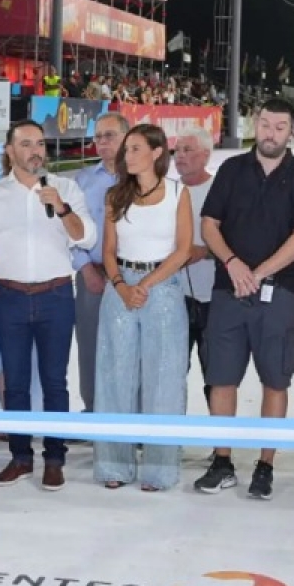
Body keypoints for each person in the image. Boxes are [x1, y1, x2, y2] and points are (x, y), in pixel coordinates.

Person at [194, 97, 294, 501]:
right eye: (265, 124)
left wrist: (259, 271)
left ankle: (265, 465)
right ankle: (222, 460)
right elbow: (209, 224)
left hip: (277, 292)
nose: (271, 133)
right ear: (256, 124)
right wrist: (232, 263)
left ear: (291, 132)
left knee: (274, 379)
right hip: (228, 291)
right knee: (222, 378)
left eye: (280, 126)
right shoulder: (232, 170)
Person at [0, 121, 94, 489]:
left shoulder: (65, 189)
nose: (36, 150)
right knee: (16, 384)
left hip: (55, 297)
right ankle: (21, 457)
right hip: (10, 298)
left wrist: (63, 208)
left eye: (40, 143)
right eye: (26, 144)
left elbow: (88, 236)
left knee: (55, 383)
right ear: (9, 150)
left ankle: (55, 458)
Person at [94, 124, 193, 491]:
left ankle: (159, 470)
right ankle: (113, 466)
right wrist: (122, 286)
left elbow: (183, 249)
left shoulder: (178, 193)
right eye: (126, 149)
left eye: (135, 148)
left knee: (164, 380)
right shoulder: (114, 196)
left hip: (162, 291)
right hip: (119, 291)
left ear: (156, 152)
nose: (127, 155)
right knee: (114, 376)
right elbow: (108, 250)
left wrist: (145, 286)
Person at [71, 113, 129, 412]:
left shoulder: (140, 178)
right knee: (91, 345)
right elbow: (68, 229)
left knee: (130, 347)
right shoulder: (82, 181)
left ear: (126, 138)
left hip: (132, 275)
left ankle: (130, 415)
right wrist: (84, 267)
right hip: (91, 274)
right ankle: (93, 410)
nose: (102, 143)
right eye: (98, 137)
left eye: (110, 136)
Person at [173, 127, 217, 402]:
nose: (180, 156)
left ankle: (220, 442)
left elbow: (239, 241)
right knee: (171, 374)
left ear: (206, 155)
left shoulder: (221, 190)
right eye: (177, 150)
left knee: (216, 376)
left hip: (215, 299)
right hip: (174, 298)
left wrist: (206, 251)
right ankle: (167, 441)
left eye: (187, 150)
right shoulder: (166, 191)